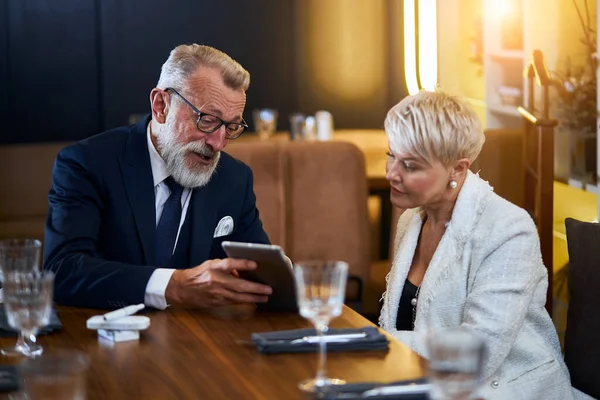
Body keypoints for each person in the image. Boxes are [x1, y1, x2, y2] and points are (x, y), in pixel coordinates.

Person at [378, 90, 586, 399]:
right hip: (425, 385)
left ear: (457, 169)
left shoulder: (508, 229)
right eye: (392, 156)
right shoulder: (411, 221)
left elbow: (479, 353)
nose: (392, 173)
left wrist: (379, 343)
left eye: (410, 165)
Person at [43, 44, 276, 311]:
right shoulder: (87, 164)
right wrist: (172, 285)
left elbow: (262, 274)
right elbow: (62, 271)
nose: (219, 143)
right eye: (208, 120)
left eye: (231, 126)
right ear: (161, 105)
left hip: (198, 343)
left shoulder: (235, 179)